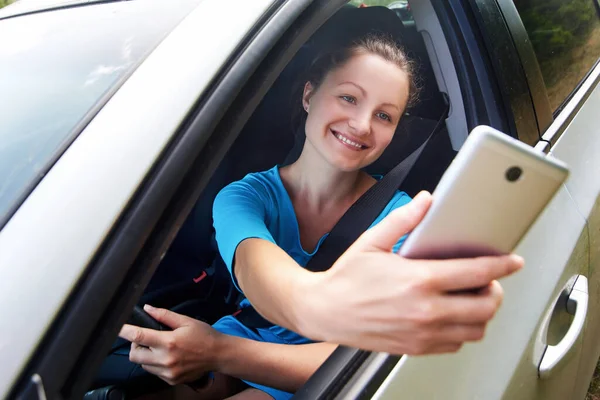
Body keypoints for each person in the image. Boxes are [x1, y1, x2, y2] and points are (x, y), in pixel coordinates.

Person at [119, 35, 523, 399]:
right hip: (245, 331)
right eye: (348, 98)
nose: (362, 124)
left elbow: (360, 359)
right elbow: (254, 269)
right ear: (309, 96)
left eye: (385, 115)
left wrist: (220, 352)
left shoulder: (403, 216)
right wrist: (224, 346)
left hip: (320, 368)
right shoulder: (245, 196)